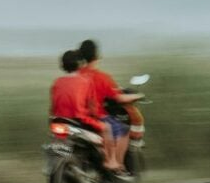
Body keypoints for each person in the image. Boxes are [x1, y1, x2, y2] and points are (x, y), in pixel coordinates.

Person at [77, 39, 143, 174]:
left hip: (76, 117)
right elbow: (119, 97)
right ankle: (117, 166)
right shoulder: (103, 77)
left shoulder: (75, 75)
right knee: (123, 130)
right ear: (97, 56)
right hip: (96, 117)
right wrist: (137, 96)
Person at [49, 49, 103, 135]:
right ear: (79, 64)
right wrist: (98, 117)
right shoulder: (86, 82)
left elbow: (53, 108)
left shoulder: (57, 82)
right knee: (106, 128)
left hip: (59, 121)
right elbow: (93, 107)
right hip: (80, 121)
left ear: (63, 65)